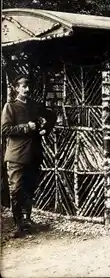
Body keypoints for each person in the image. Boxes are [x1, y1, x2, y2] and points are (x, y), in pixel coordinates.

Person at [1, 75, 56, 238]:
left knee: (30, 189)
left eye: (28, 86)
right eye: (23, 86)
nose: (27, 89)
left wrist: (46, 129)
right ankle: (18, 225)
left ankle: (27, 220)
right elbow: (4, 130)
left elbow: (51, 115)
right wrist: (26, 127)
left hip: (34, 154)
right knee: (16, 190)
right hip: (17, 156)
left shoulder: (35, 106)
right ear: (16, 88)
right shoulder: (10, 107)